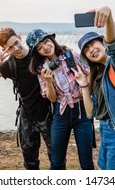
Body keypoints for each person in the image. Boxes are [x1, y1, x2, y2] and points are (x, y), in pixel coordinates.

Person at [72, 6, 115, 170]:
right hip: (105, 131)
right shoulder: (97, 77)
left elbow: (114, 44)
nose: (91, 50)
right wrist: (84, 85)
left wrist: (108, 14)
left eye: (92, 44)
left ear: (102, 42)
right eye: (86, 50)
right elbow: (90, 112)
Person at [0, 27, 52, 170]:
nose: (16, 48)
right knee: (30, 160)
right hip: (27, 117)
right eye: (10, 48)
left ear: (19, 37)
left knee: (56, 157)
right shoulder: (9, 64)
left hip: (48, 114)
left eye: (16, 43)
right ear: (5, 50)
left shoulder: (37, 54)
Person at [27, 29, 94, 170]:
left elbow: (89, 72)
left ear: (51, 39)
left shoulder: (71, 55)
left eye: (46, 42)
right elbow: (52, 98)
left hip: (82, 111)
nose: (45, 47)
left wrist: (85, 89)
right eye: (39, 47)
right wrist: (49, 82)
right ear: (37, 52)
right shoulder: (42, 70)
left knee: (86, 161)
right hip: (61, 113)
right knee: (57, 161)